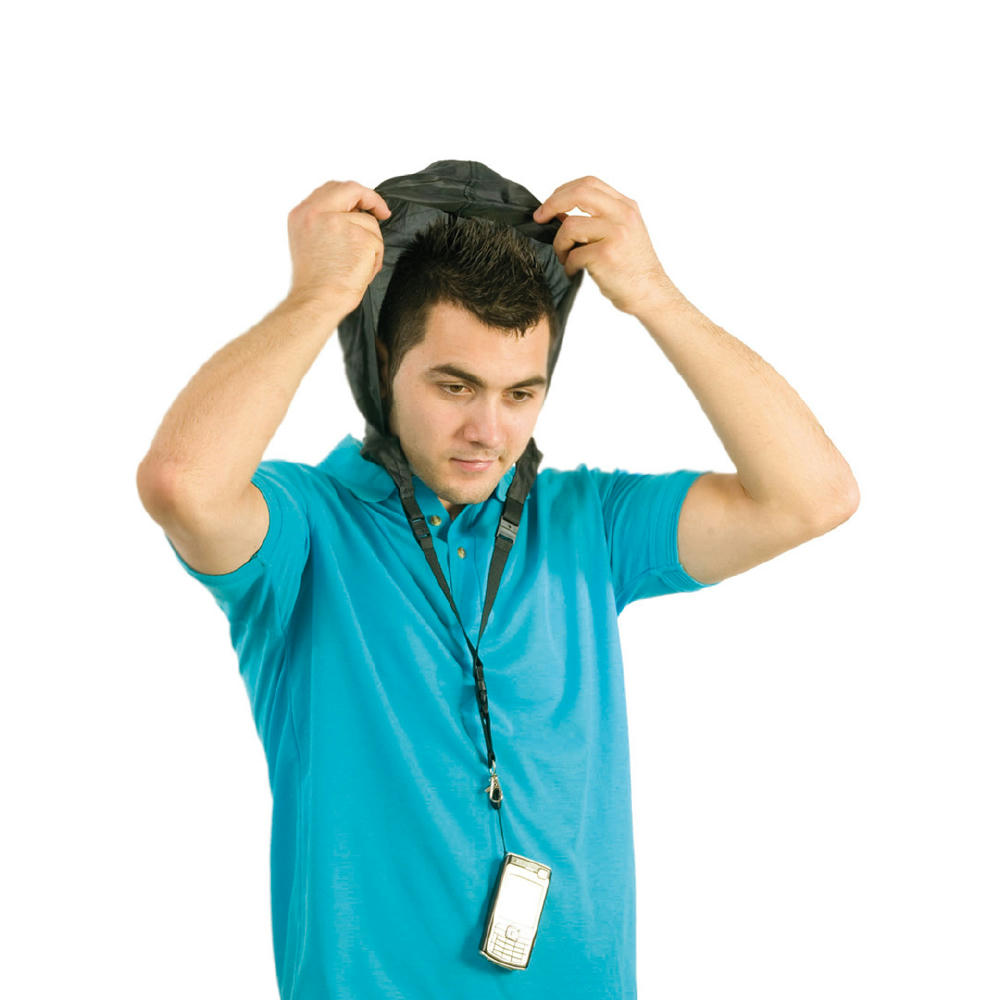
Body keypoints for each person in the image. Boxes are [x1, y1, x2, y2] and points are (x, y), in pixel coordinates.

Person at [136, 161, 859, 999]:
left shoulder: (589, 524)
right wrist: (316, 299)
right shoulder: (305, 528)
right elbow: (182, 484)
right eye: (455, 386)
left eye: (521, 393)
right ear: (384, 363)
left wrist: (654, 294)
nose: (489, 430)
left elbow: (815, 497)